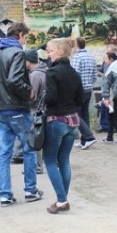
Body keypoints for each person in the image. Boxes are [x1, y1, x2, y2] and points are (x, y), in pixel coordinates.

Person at [0, 21, 41, 207]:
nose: (25, 41)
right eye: (25, 37)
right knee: (29, 149)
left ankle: (5, 194)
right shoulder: (18, 53)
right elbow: (13, 80)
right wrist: (28, 91)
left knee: (4, 152)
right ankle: (30, 190)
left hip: (0, 108)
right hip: (17, 108)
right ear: (19, 34)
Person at [42, 38, 84, 214]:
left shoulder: (51, 73)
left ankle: (61, 200)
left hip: (56, 120)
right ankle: (62, 199)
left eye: (50, 51)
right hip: (73, 121)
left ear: (60, 52)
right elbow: (81, 99)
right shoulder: (74, 73)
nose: (48, 54)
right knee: (64, 160)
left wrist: (41, 98)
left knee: (50, 160)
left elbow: (50, 98)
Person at [71, 37, 98, 150]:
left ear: (77, 45)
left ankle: (89, 136)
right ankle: (84, 141)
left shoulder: (77, 57)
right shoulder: (91, 57)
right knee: (85, 114)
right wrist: (89, 84)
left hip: (79, 90)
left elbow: (74, 75)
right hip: (88, 89)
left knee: (76, 115)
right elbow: (95, 75)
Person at [23, 48, 47, 175]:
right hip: (45, 110)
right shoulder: (45, 71)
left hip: (35, 111)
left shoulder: (34, 75)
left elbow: (32, 96)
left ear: (28, 61)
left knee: (35, 139)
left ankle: (37, 166)